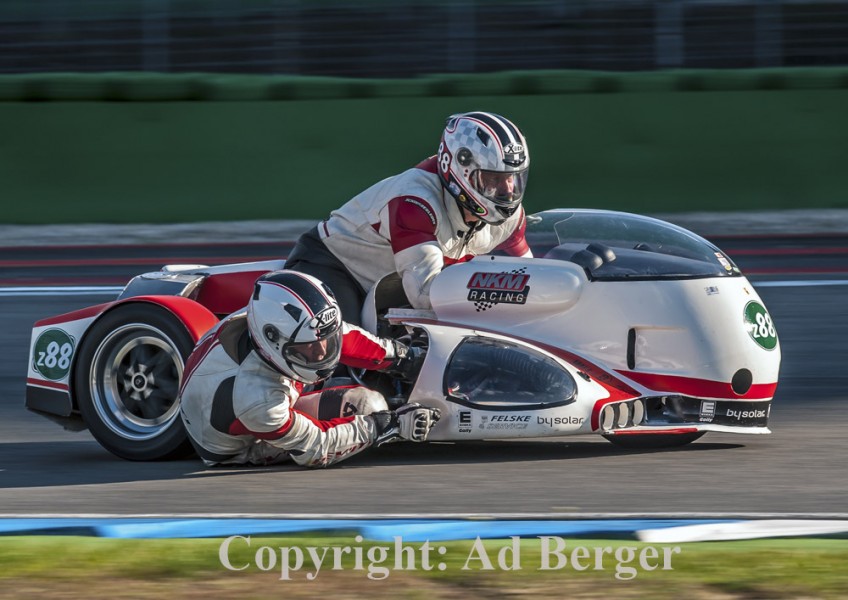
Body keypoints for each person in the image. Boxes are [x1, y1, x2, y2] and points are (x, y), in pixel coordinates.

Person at [285, 111, 533, 325]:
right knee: (341, 349)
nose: (508, 191)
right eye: (493, 179)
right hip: (335, 267)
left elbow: (532, 273)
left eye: (513, 178)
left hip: (396, 281)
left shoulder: (510, 218)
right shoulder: (414, 202)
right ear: (459, 169)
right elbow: (426, 295)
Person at [178, 270, 440, 468]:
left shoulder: (278, 327)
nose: (323, 352)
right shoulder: (256, 400)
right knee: (368, 406)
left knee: (360, 372)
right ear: (274, 343)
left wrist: (404, 356)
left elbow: (343, 335)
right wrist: (388, 425)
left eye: (325, 341)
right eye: (309, 348)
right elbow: (317, 448)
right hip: (247, 442)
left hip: (259, 389)